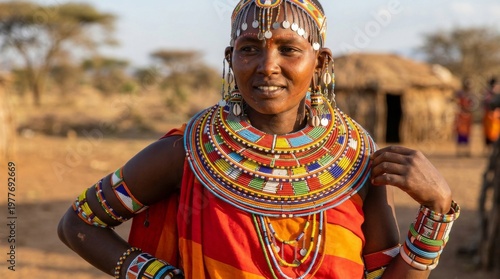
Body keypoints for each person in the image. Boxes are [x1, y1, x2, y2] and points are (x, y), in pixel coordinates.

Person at [58, 1, 459, 278]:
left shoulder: (355, 159)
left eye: (289, 50)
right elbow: (78, 223)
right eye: (250, 49)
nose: (267, 66)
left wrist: (437, 211)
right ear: (231, 58)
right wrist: (160, 275)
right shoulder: (189, 152)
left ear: (320, 63)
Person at [454, 79, 475, 156]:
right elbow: (456, 103)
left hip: (468, 117)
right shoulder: (459, 94)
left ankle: (467, 152)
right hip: (461, 116)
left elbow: (473, 105)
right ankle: (459, 152)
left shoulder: (471, 95)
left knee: (468, 134)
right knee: (460, 133)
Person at [483, 77, 500, 151]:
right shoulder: (487, 94)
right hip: (489, 116)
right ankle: (489, 149)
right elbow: (486, 104)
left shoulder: (497, 94)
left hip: (497, 116)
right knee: (488, 133)